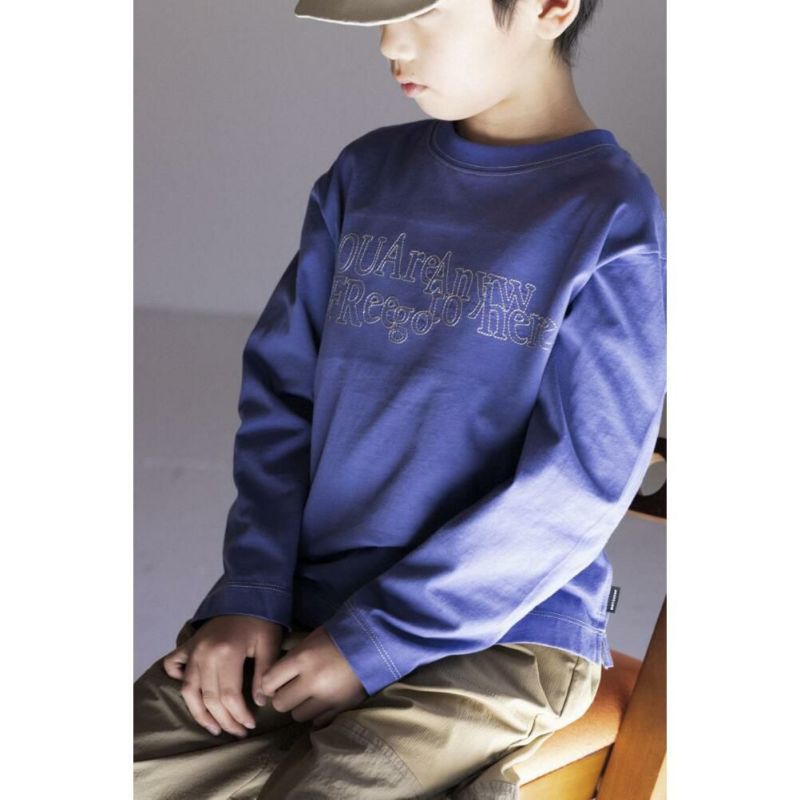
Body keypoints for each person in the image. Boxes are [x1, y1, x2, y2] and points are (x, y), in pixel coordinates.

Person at [134, 1, 666, 797]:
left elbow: (577, 487)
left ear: (550, 7)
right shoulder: (365, 176)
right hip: (304, 610)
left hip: (503, 641)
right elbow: (280, 400)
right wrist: (250, 592)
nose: (390, 41)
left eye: (424, 9)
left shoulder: (612, 219)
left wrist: (375, 642)